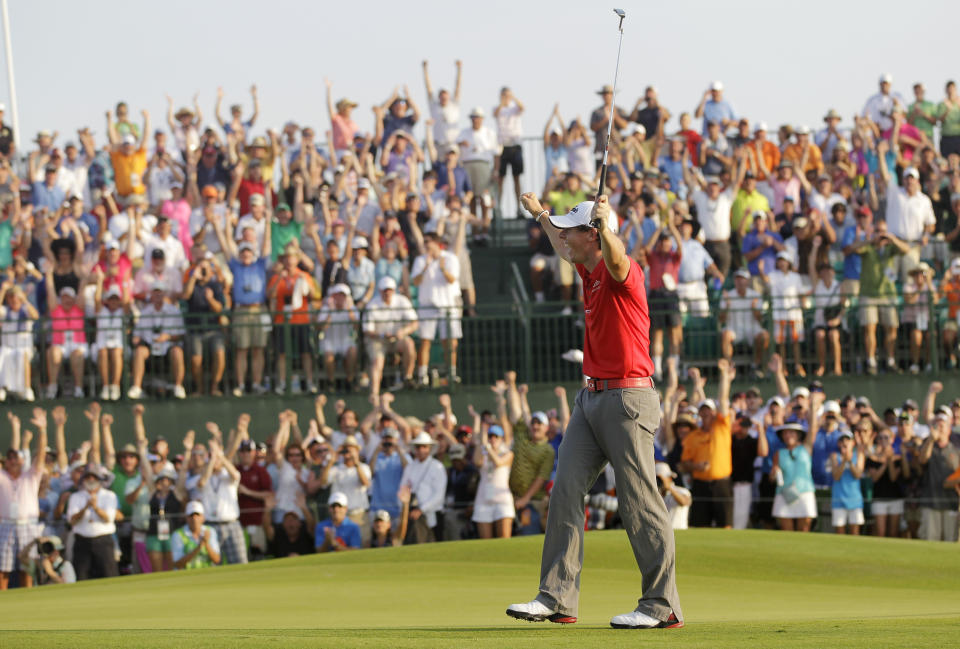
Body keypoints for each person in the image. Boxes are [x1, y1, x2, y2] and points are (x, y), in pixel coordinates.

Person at [508, 192, 682, 629]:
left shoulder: (622, 270)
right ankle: (556, 597)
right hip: (590, 398)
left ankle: (660, 606)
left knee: (638, 499)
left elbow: (620, 258)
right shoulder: (587, 270)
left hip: (629, 398)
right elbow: (561, 243)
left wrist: (607, 227)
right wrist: (543, 216)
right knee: (565, 489)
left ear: (592, 234)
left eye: (573, 230)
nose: (564, 237)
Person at [679, 360, 735, 529]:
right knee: (699, 525)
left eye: (709, 409)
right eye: (703, 409)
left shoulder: (722, 426)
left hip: (722, 484)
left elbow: (723, 399)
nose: (705, 412)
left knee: (725, 526)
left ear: (713, 412)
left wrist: (724, 376)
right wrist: (696, 466)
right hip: (701, 484)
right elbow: (684, 463)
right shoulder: (693, 436)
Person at [0, 409, 47, 589]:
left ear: (21, 461)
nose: (13, 460)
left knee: (27, 569)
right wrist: (15, 426)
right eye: (9, 458)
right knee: (2, 571)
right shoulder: (2, 477)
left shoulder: (31, 476)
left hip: (28, 525)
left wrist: (42, 430)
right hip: (5, 526)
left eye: (16, 458)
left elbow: (41, 455)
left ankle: (27, 602)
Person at [411, 232, 461, 385]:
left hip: (448, 306)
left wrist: (443, 269)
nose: (425, 244)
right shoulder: (420, 260)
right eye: (424, 241)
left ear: (436, 242)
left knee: (450, 343)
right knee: (425, 342)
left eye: (428, 241)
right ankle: (422, 376)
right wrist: (426, 266)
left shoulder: (450, 258)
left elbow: (452, 280)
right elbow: (416, 281)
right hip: (427, 307)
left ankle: (451, 375)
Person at [771, 395, 821, 532]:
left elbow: (813, 428)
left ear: (798, 435)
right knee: (787, 532)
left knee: (804, 530)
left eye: (792, 432)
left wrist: (812, 407)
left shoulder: (806, 448)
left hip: (805, 493)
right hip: (784, 494)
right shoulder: (779, 453)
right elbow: (772, 477)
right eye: (786, 433)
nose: (788, 435)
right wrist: (774, 472)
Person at [67, 463, 119, 580]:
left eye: (94, 477)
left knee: (109, 574)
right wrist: (86, 507)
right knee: (81, 575)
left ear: (100, 480)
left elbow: (108, 518)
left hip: (103, 541)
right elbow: (72, 520)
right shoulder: (76, 497)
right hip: (82, 541)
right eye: (88, 477)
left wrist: (95, 508)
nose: (91, 480)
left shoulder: (109, 496)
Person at [472, 423, 514, 539]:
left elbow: (499, 463)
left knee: (504, 539)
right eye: (490, 436)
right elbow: (477, 461)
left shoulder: (508, 454)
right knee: (486, 541)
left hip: (502, 500)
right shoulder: (483, 454)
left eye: (496, 436)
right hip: (483, 499)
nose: (493, 439)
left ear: (501, 439)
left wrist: (488, 448)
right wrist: (482, 442)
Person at [829, 431, 865, 535]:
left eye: (847, 440)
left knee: (855, 532)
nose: (844, 442)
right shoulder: (835, 456)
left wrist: (849, 461)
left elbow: (858, 474)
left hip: (855, 500)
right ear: (838, 443)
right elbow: (836, 476)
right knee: (840, 532)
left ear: (852, 442)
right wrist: (844, 461)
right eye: (842, 440)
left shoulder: (859, 455)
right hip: (838, 499)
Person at [262, 492, 315, 558]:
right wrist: (268, 510)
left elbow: (312, 526)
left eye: (294, 519)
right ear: (283, 524)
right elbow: (267, 528)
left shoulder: (306, 532)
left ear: (300, 523)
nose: (290, 522)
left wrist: (304, 508)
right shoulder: (278, 534)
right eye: (287, 520)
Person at [172, 500, 221, 570]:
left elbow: (217, 560)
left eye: (197, 515)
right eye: (191, 515)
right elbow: (178, 564)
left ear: (203, 517)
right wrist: (199, 547)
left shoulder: (210, 531)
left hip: (208, 574)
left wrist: (206, 544)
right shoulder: (177, 535)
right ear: (186, 518)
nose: (194, 518)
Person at [655, 462, 692, 530]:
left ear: (670, 478)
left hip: (679, 530)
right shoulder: (654, 495)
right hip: (662, 531)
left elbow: (685, 502)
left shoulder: (682, 491)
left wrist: (669, 488)